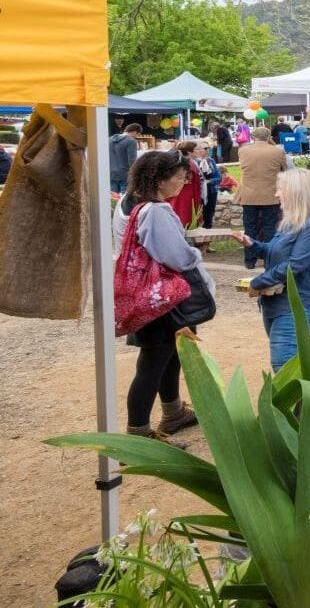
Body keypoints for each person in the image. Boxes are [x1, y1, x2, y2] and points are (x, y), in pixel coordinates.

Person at [112, 150, 208, 443]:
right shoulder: (155, 211)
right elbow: (176, 257)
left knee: (170, 353)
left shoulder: (128, 204)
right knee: (154, 361)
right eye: (179, 177)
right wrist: (194, 254)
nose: (182, 182)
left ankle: (173, 411)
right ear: (160, 179)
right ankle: (138, 432)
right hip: (160, 297)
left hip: (144, 293)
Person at [231, 168, 310, 371]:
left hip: (297, 304)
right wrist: (252, 245)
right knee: (288, 365)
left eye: (281, 189)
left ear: (298, 192)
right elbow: (275, 253)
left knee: (284, 366)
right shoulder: (292, 223)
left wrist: (257, 282)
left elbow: (295, 265)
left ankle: (301, 404)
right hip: (275, 303)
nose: (277, 194)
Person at [236, 126, 288, 269]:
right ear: (269, 137)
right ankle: (268, 259)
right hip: (270, 194)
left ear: (253, 137)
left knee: (249, 227)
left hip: (249, 194)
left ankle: (250, 260)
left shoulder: (243, 150)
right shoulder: (277, 151)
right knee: (270, 227)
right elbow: (285, 168)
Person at [167, 140, 205, 228]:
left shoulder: (190, 163)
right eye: (197, 149)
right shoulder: (187, 164)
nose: (199, 151)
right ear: (189, 151)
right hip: (186, 197)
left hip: (188, 195)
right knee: (185, 219)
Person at [193, 144, 222, 229]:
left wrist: (209, 181)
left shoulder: (211, 161)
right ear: (197, 150)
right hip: (199, 192)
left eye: (208, 148)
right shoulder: (195, 162)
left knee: (210, 213)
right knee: (200, 213)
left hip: (211, 191)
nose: (207, 150)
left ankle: (208, 232)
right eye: (205, 148)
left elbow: (219, 178)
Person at [109, 123, 142, 194]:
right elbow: (132, 160)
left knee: (113, 199)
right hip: (125, 174)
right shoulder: (131, 141)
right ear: (135, 132)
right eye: (137, 134)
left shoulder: (110, 139)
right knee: (125, 199)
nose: (136, 136)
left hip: (111, 173)